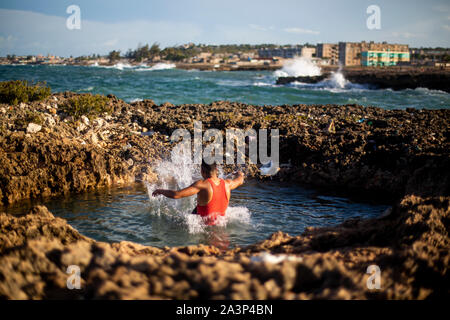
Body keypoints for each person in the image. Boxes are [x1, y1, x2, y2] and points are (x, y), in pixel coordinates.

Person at [152, 161, 245, 225]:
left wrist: (160, 191)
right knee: (195, 210)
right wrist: (240, 174)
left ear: (202, 171)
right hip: (221, 228)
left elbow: (176, 195)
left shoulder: (202, 185)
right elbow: (240, 181)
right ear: (216, 170)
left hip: (205, 230)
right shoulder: (227, 184)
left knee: (172, 224)